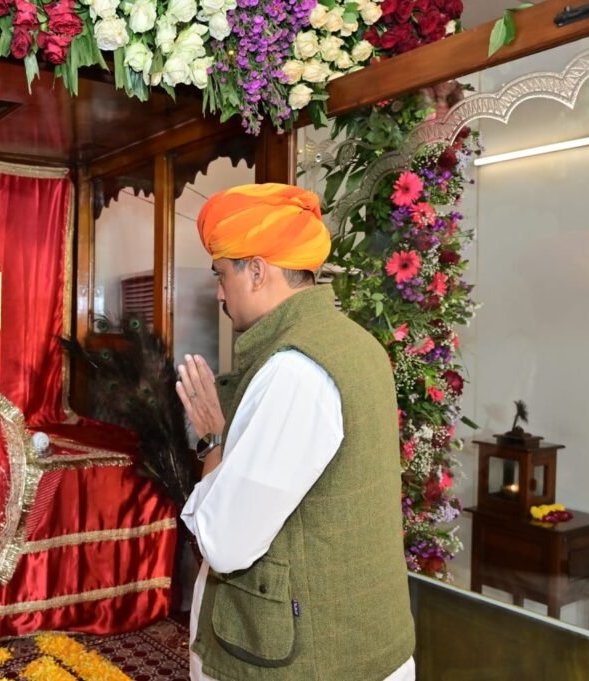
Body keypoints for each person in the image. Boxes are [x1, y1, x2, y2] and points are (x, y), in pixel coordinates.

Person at [176, 183, 415, 680]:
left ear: (257, 271)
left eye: (222, 274)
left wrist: (214, 444)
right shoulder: (353, 343)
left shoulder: (296, 370)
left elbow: (225, 541)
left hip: (311, 661)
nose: (219, 292)